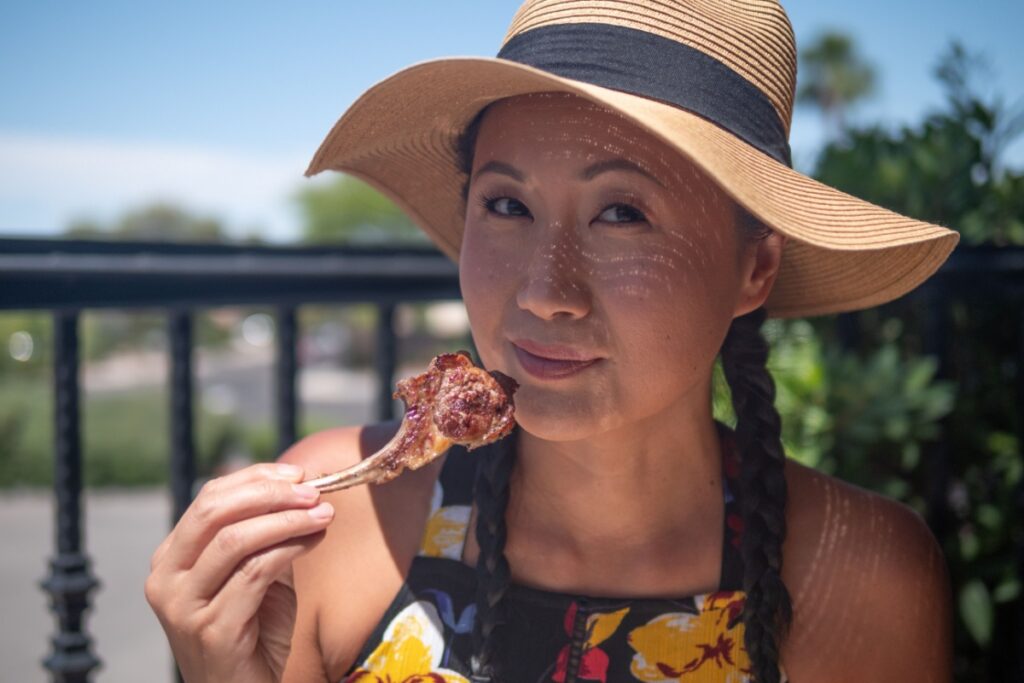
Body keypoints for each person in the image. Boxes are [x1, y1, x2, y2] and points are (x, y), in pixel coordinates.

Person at [145, 1, 959, 681]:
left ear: (755, 266)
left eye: (622, 213)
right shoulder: (328, 525)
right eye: (506, 206)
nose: (545, 290)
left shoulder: (864, 576)